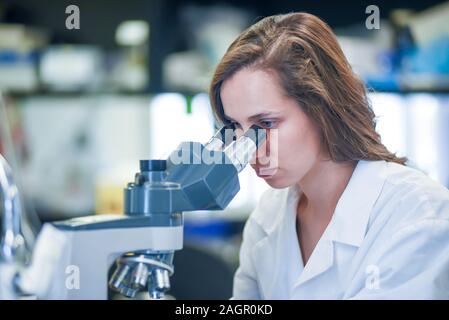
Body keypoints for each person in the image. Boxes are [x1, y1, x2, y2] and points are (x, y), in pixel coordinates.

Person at [209, 12, 449, 299]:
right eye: (236, 127)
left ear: (320, 108)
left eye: (266, 124)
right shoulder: (268, 216)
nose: (249, 150)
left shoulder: (418, 214)